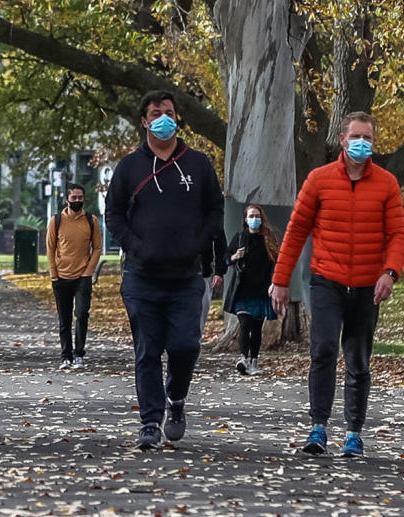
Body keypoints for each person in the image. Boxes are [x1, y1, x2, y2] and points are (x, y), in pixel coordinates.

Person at [269, 112, 404, 457]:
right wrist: (280, 280)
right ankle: (318, 428)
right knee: (324, 349)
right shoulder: (318, 180)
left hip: (366, 285)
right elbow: (296, 230)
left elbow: (397, 234)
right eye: (356, 137)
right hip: (327, 281)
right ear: (343, 140)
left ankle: (354, 433)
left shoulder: (386, 184)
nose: (362, 144)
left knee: (358, 359)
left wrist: (389, 273)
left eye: (369, 138)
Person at [105, 90, 224, 450]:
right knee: (148, 350)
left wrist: (200, 244)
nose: (163, 118)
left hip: (187, 277)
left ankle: (176, 397)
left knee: (186, 345)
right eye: (156, 112)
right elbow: (113, 215)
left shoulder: (199, 164)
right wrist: (135, 245)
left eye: (169, 112)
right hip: (142, 277)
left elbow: (215, 212)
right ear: (144, 120)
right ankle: (150, 422)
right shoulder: (129, 168)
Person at [47, 184, 102, 370]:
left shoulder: (91, 220)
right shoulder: (56, 221)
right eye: (74, 198)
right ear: (66, 199)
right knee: (64, 320)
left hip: (82, 277)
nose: (77, 201)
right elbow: (50, 248)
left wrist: (89, 271)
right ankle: (66, 356)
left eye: (80, 197)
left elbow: (98, 248)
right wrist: (54, 274)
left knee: (81, 314)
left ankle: (79, 354)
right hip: (61, 277)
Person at [224, 204, 279, 376]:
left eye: (257, 216)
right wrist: (234, 257)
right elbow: (226, 259)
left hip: (262, 290)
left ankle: (254, 361)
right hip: (242, 290)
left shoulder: (268, 239)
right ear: (246, 219)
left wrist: (274, 283)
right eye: (251, 216)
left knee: (256, 327)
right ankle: (243, 359)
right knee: (244, 324)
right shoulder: (240, 238)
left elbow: (276, 263)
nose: (254, 219)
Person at [199, 230, 227, 337]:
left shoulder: (210, 215)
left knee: (201, 311)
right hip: (177, 272)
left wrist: (219, 271)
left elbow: (220, 244)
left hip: (203, 272)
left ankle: (193, 345)